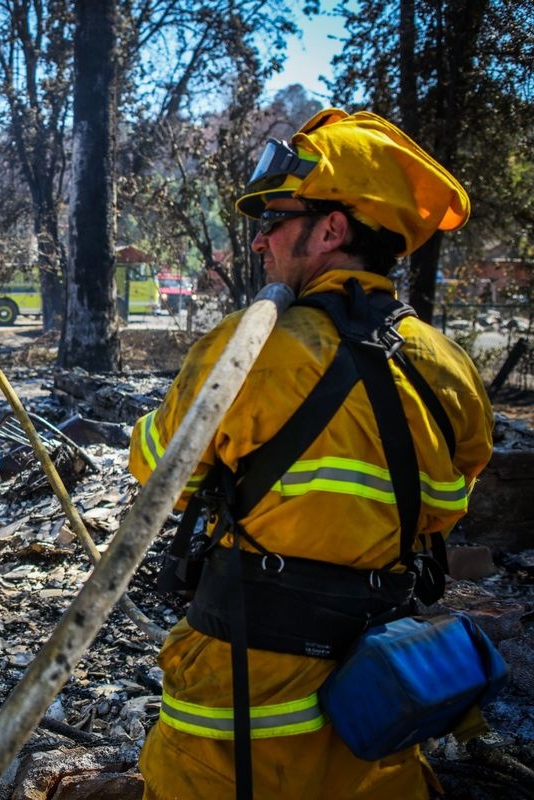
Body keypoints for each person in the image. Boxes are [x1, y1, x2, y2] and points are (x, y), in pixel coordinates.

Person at [129, 109, 494, 799]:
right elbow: (445, 506)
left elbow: (161, 475)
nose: (261, 241)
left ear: (330, 230)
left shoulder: (253, 348)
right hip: (380, 693)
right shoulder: (447, 365)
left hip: (238, 693)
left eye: (274, 220)